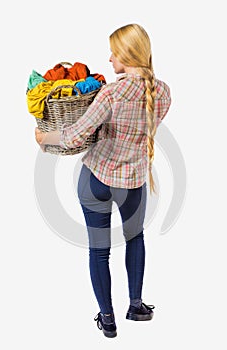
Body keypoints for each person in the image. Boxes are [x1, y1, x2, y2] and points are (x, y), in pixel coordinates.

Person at [35, 23, 171, 338]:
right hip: (134, 182)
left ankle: (107, 320)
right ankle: (136, 306)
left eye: (113, 52)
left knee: (99, 251)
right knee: (135, 239)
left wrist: (44, 137)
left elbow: (74, 135)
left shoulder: (111, 92)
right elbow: (141, 129)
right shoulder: (162, 91)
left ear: (126, 54)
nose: (109, 59)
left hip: (96, 179)